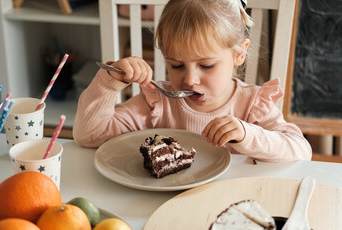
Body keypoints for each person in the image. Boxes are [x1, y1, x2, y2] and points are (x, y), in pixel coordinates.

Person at [73, 0, 312, 162]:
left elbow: (301, 151)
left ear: (239, 54)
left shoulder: (252, 104)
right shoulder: (157, 103)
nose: (189, 79)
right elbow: (89, 136)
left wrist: (246, 135)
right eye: (176, 65)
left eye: (206, 65)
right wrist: (108, 82)